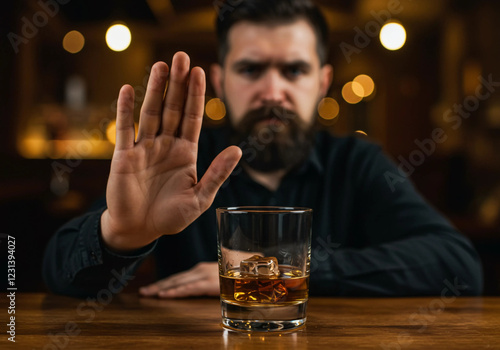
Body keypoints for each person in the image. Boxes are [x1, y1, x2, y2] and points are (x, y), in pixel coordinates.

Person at [43, 0, 483, 298]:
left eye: (293, 70)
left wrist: (272, 271)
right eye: (251, 69)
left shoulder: (357, 163)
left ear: (322, 83)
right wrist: (121, 236)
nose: (273, 91)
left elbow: (457, 266)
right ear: (220, 81)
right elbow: (55, 273)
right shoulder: (173, 163)